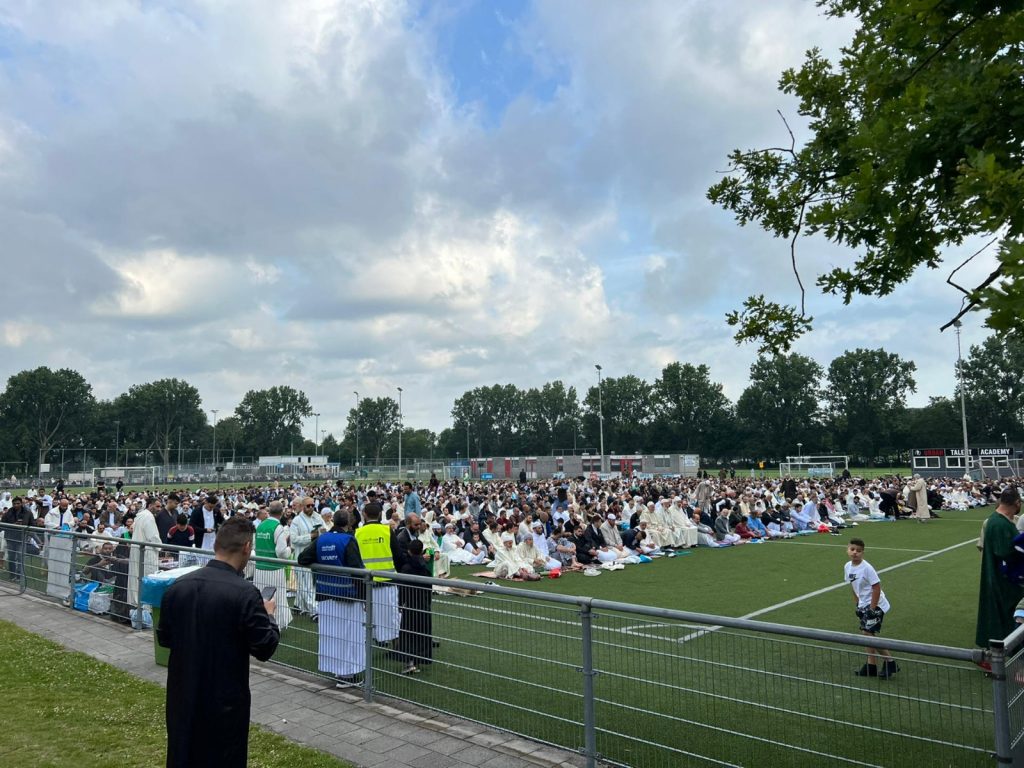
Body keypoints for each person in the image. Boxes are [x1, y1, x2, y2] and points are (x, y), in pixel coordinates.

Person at [157, 516, 280, 768]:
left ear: (217, 546)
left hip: (183, 698)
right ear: (247, 548)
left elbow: (166, 638)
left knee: (183, 755)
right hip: (224, 703)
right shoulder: (245, 593)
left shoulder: (178, 587)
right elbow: (265, 646)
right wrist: (269, 615)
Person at [298, 509, 367, 686]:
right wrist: (364, 597)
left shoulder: (321, 539)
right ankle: (347, 676)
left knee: (332, 635)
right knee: (350, 636)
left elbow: (303, 558)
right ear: (348, 523)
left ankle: (338, 672)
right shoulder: (348, 540)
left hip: (325, 594)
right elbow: (357, 570)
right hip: (347, 596)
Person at [976, 487, 1024, 649]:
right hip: (1004, 582)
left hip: (1000, 579)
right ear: (1016, 502)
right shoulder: (999, 523)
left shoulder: (997, 520)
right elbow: (1006, 552)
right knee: (1009, 618)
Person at [845, 538, 897, 678]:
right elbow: (853, 586)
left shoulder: (867, 568)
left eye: (858, 550)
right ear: (847, 550)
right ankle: (871, 665)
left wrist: (872, 609)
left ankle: (890, 663)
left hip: (876, 604)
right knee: (867, 633)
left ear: (863, 552)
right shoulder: (847, 567)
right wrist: (858, 604)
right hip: (864, 604)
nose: (855, 553)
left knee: (867, 633)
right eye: (852, 549)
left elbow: (876, 587)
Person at [354, 502, 402, 644]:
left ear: (364, 515)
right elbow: (398, 555)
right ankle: (397, 650)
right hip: (388, 581)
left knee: (368, 619)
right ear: (380, 514)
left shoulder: (357, 533)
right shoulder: (387, 531)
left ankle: (367, 652)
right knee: (392, 618)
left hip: (366, 582)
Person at [252, 501, 292, 631]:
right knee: (277, 598)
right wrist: (290, 549)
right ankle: (276, 625)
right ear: (282, 512)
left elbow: (254, 546)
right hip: (274, 569)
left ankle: (260, 623)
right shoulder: (278, 527)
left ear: (269, 510)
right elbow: (281, 552)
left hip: (259, 568)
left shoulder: (260, 526)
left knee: (261, 598)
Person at [396, 539, 433, 674]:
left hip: (410, 605)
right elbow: (429, 588)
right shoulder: (426, 568)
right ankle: (417, 661)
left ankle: (409, 663)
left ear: (409, 551)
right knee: (421, 633)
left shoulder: (406, 568)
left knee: (408, 634)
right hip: (423, 605)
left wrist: (400, 603)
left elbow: (402, 588)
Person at [289, 497, 324, 618]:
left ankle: (299, 605)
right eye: (308, 506)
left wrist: (321, 533)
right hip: (302, 556)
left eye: (312, 505)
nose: (311, 508)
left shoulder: (317, 517)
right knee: (306, 584)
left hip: (316, 555)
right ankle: (315, 611)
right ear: (303, 507)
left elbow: (324, 531)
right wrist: (310, 536)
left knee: (308, 583)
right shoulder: (296, 521)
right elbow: (293, 539)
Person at [127, 498, 163, 611]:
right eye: (157, 506)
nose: (159, 509)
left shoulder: (140, 515)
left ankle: (139, 606)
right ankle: (146, 608)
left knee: (138, 576)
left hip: (138, 549)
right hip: (147, 551)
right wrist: (160, 547)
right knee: (149, 577)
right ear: (150, 505)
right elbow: (153, 536)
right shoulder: (148, 516)